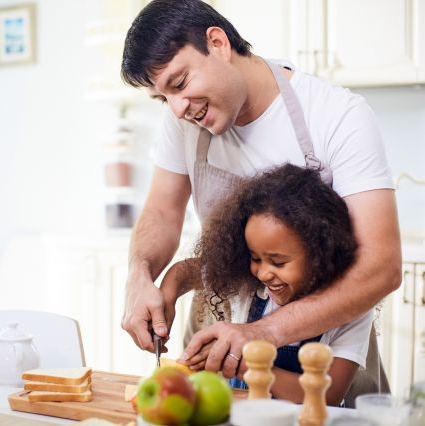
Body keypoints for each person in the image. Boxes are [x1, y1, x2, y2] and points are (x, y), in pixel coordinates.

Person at [120, 0, 401, 381]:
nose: (176, 108)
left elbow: (381, 268)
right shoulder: (183, 119)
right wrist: (140, 276)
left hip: (322, 352)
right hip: (219, 335)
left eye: (180, 83)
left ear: (218, 43)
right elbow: (162, 213)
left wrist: (262, 333)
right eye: (162, 97)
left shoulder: (338, 116)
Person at [161, 163, 371, 406]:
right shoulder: (250, 285)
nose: (262, 273)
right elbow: (185, 271)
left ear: (321, 255)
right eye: (255, 258)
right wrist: (167, 292)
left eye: (278, 262)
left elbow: (328, 395)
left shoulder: (351, 312)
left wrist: (249, 364)